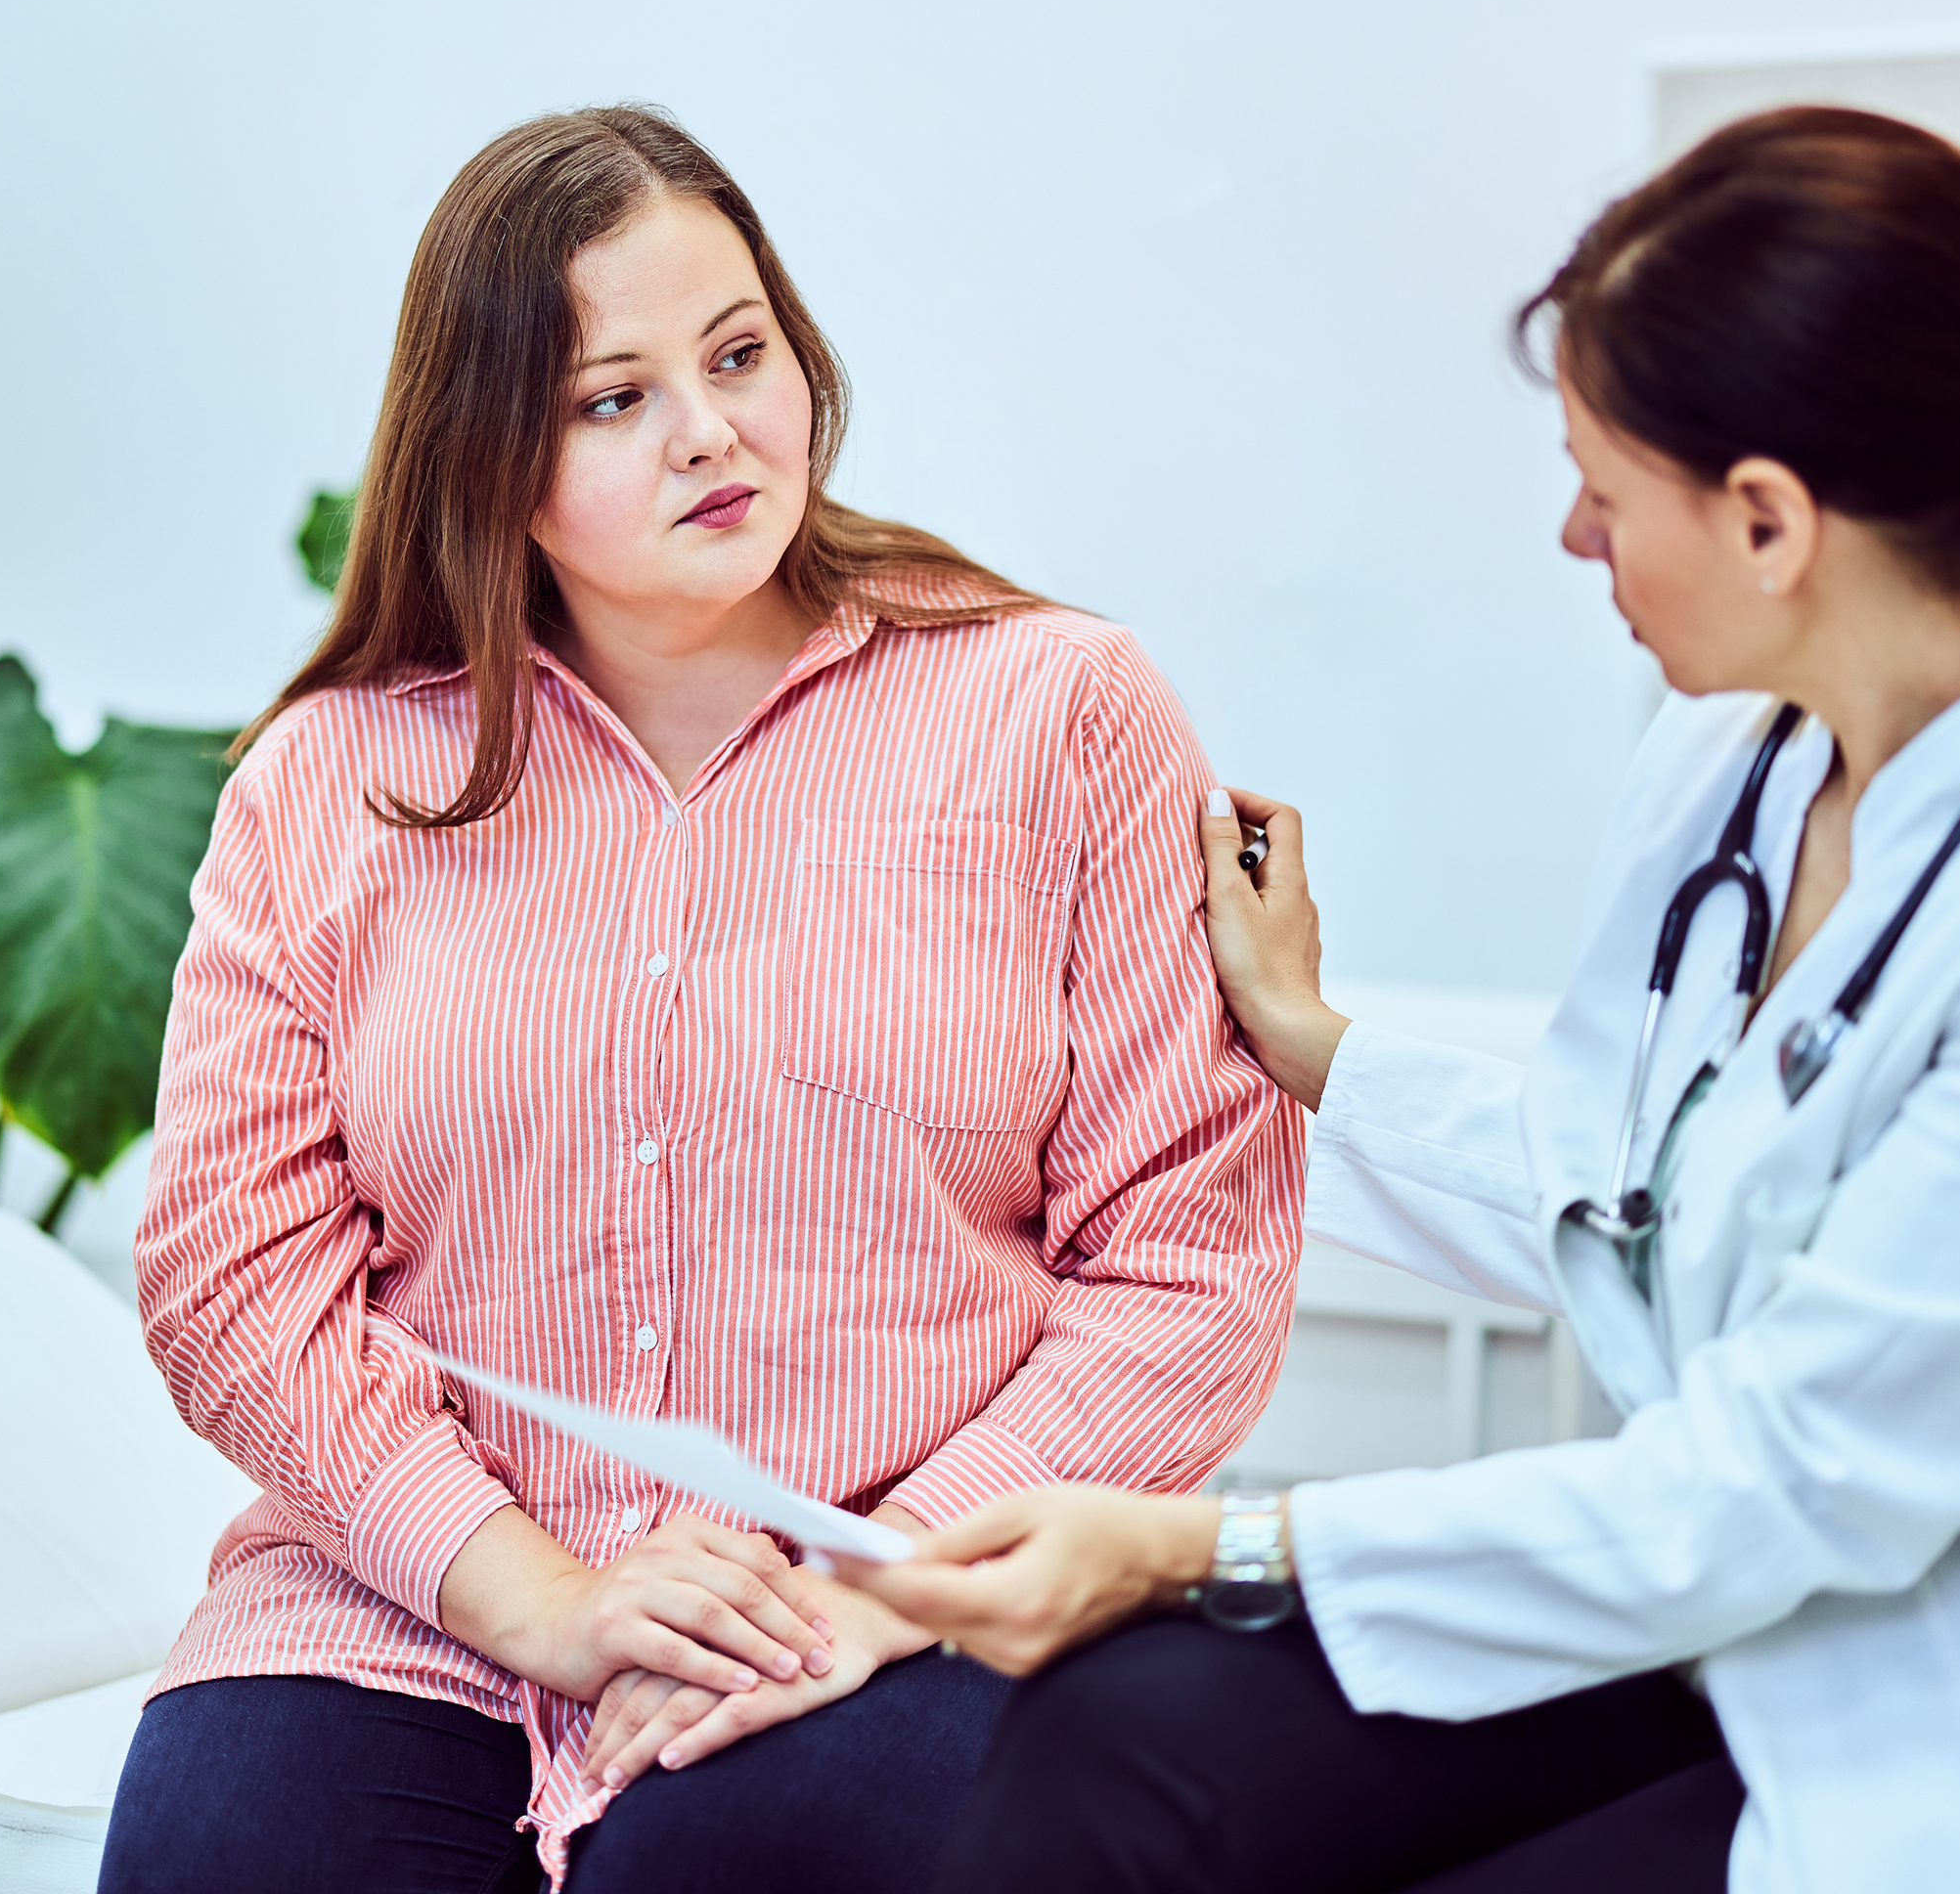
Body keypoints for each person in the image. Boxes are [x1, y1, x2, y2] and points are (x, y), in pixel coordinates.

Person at [843, 108, 1960, 1894]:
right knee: (1127, 1742)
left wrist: (1192, 1544)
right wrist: (1309, 1047)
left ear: (1770, 519)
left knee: (1205, 1688)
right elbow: (1635, 1185)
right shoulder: (1732, 765)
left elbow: (1778, 1476)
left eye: (1603, 484)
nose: (1574, 537)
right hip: (1745, 1637)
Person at [97, 106, 1305, 1894]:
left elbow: (1186, 1271)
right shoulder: (331, 781)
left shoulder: (1058, 710)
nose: (713, 431)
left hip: (900, 1597)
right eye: (613, 398)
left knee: (738, 1861)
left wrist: (871, 1593)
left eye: (740, 354)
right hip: (413, 1602)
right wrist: (551, 1605)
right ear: (490, 455)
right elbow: (233, 1274)